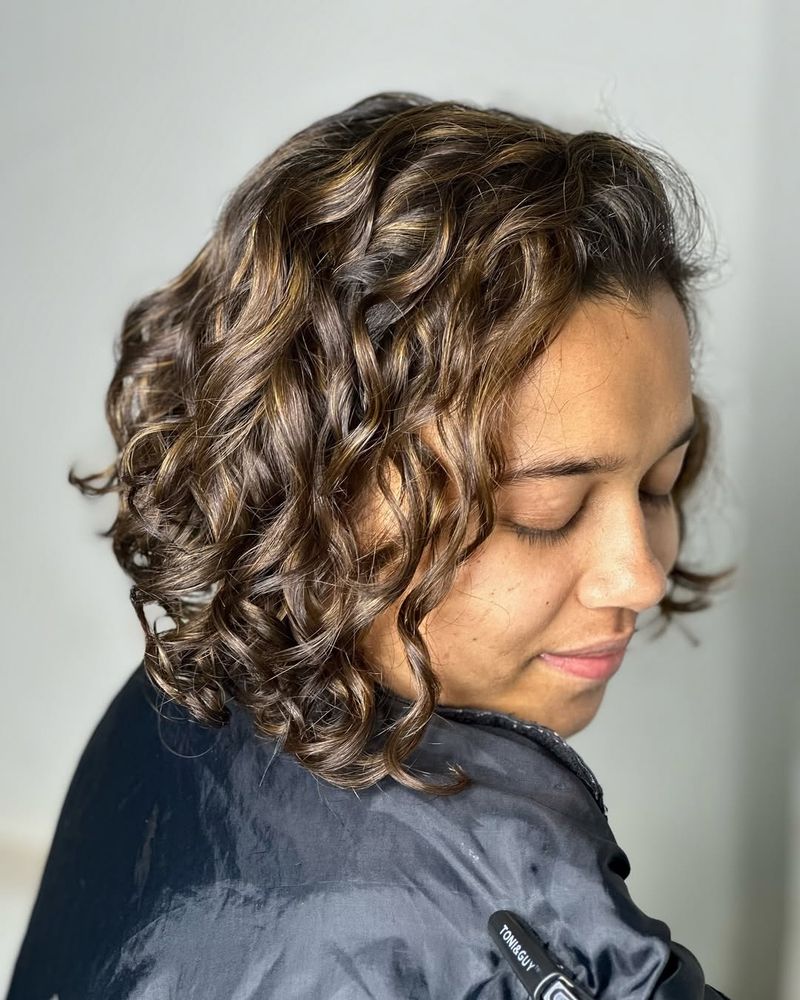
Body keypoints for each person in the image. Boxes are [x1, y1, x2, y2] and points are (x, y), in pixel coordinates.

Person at [7, 91, 737, 999]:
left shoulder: (174, 704)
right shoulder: (520, 929)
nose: (642, 575)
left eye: (659, 485)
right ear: (319, 491)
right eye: (545, 510)